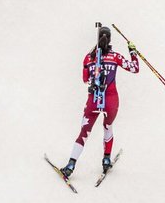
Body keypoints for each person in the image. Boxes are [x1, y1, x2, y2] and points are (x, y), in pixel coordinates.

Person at [58, 25, 139, 179]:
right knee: (108, 127)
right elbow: (135, 68)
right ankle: (106, 159)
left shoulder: (89, 57)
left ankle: (70, 165)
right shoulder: (115, 56)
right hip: (111, 100)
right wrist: (132, 51)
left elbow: (84, 79)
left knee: (84, 133)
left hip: (93, 101)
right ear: (110, 40)